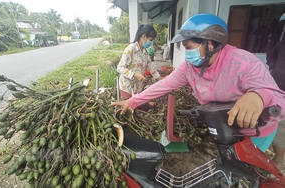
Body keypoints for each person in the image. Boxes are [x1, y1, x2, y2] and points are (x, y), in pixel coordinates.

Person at [112, 13, 285, 153]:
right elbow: (163, 86)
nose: (186, 53)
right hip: (223, 130)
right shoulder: (190, 68)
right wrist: (132, 101)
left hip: (253, 134)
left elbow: (280, 101)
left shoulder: (244, 63)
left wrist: (258, 96)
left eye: (188, 47)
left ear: (209, 44)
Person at [117, 24, 161, 109]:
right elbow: (120, 68)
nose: (150, 43)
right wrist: (135, 75)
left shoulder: (145, 52)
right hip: (127, 87)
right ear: (144, 36)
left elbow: (150, 66)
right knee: (128, 110)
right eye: (150, 40)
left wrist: (159, 77)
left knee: (136, 109)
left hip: (138, 87)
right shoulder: (131, 49)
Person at [266, 13, 285, 172]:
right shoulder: (281, 45)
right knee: (276, 124)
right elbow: (270, 54)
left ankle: (278, 160)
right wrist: (272, 67)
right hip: (277, 91)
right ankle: (276, 157)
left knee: (282, 127)